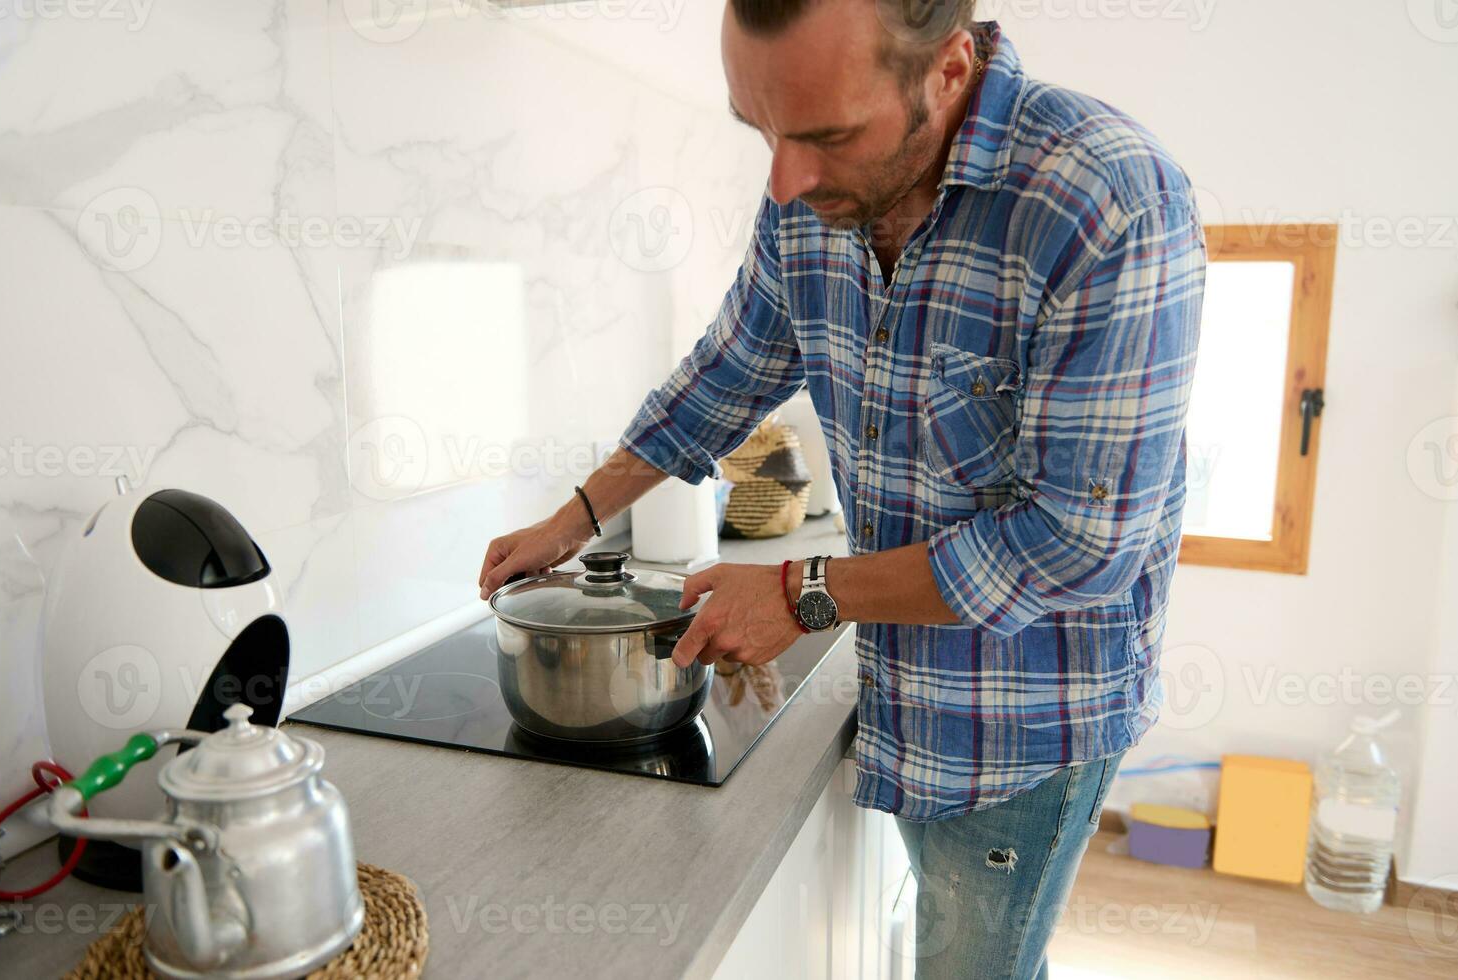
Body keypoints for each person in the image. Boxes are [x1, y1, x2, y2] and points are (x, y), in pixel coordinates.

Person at [479, 2, 1205, 976]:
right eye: (763, 133)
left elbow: (1077, 541)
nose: (786, 180)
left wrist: (799, 590)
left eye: (826, 135)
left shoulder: (1107, 199)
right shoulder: (805, 196)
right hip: (908, 684)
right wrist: (577, 513)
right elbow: (727, 371)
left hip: (1028, 717)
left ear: (948, 70)